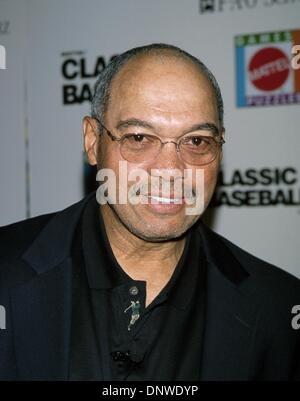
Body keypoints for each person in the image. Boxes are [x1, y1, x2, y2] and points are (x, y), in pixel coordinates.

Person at [0, 43, 299, 381]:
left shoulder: (280, 310)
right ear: (92, 140)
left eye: (197, 141)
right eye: (139, 137)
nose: (171, 169)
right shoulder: (6, 271)